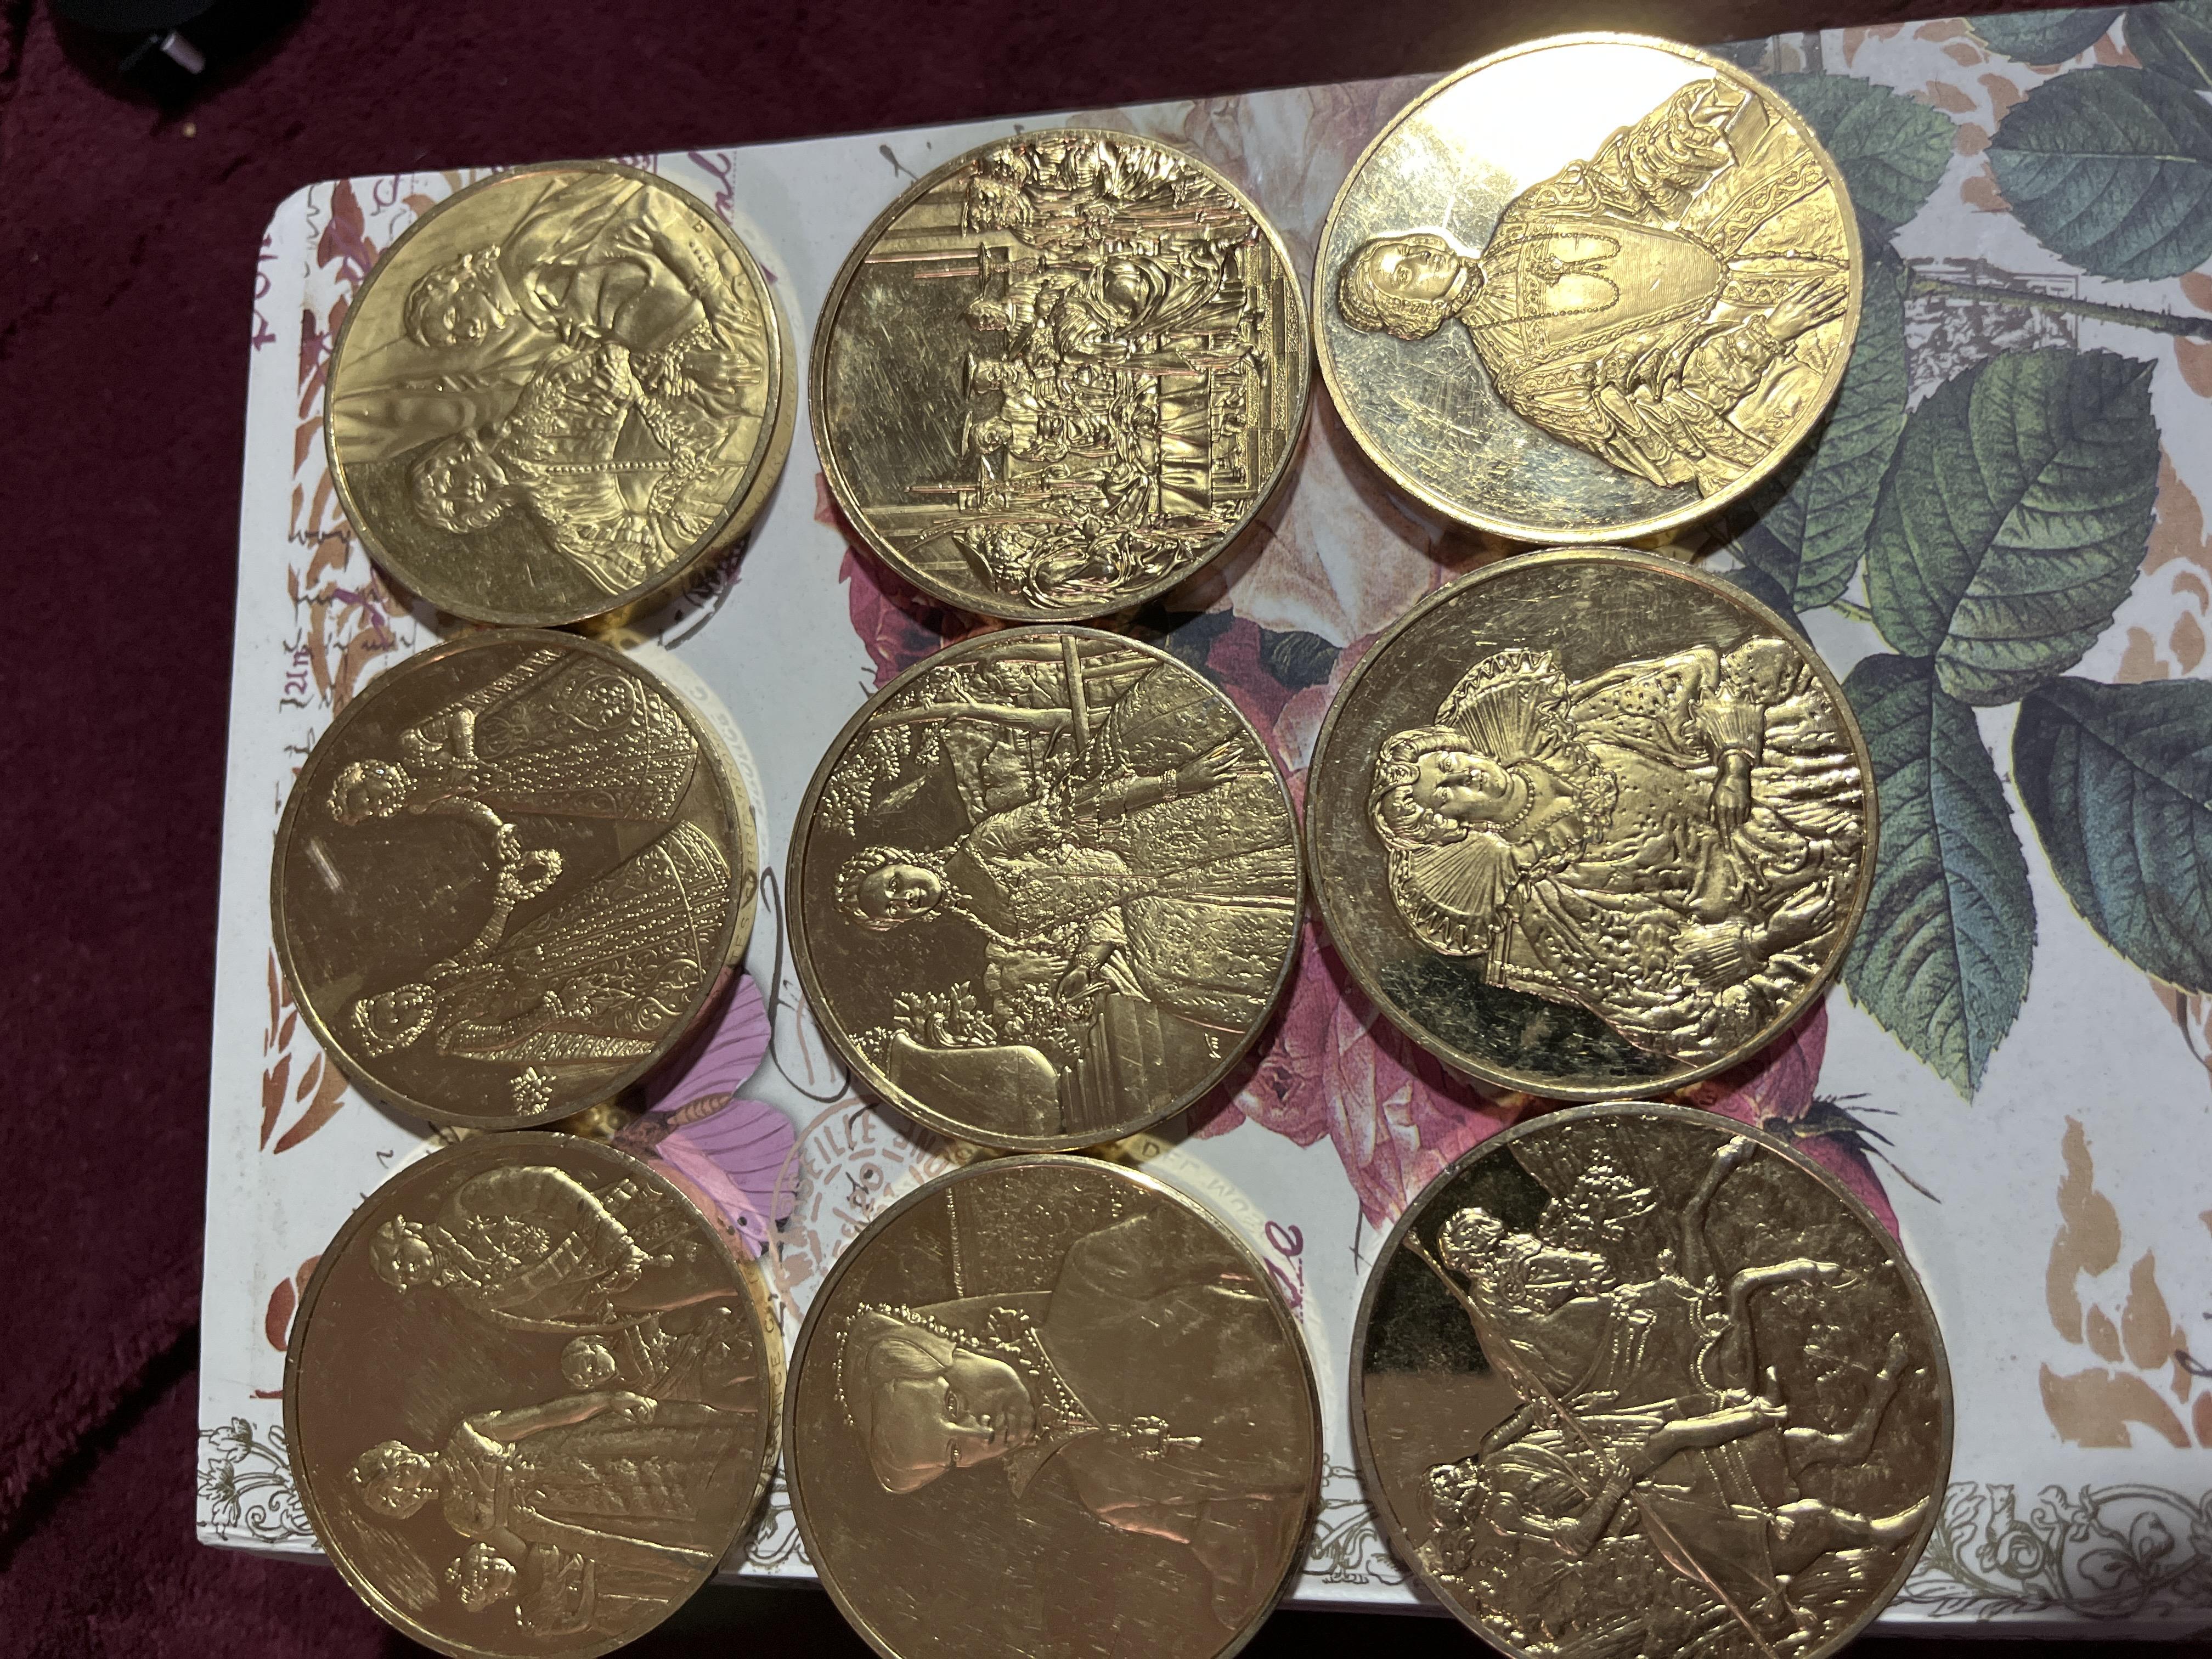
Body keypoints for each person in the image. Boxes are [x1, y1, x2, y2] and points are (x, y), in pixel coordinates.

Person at [1335, 76, 1850, 496]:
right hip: (1772, 352)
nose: (1421, 255)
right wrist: (1765, 336)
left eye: (1408, 245)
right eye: (1404, 274)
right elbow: (1659, 427)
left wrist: (1684, 128)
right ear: (1413, 317)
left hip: (1754, 216)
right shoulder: (1527, 379)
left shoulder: (1526, 219)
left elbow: (1621, 180)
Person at [1368, 643, 1861, 1065]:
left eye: (1448, 762)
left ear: (1461, 745)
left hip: (1804, 781)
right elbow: (1663, 1002)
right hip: (1795, 900)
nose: (1464, 776)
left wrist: (1735, 764)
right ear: (1453, 824)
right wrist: (1763, 940)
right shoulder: (1554, 904)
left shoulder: (1582, 728)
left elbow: (1727, 677)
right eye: (1445, 794)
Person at [835, 1207, 1311, 1626]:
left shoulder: (1096, 1277)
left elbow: (1243, 1233)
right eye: (955, 1451)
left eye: (953, 1404)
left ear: (958, 1348)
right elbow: (1241, 1539)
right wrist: (1240, 1593)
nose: (979, 1432)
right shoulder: (1108, 1498)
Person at [368, 1160, 727, 1332]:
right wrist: (597, 1306)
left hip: (629, 1221)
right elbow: (545, 1318)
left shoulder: (467, 1205)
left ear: (410, 1231)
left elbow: (549, 1185)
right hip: (610, 1288)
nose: (409, 1270)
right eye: (403, 1277)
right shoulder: (469, 1295)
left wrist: (616, 1243)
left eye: (400, 1257)